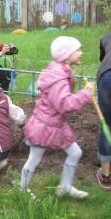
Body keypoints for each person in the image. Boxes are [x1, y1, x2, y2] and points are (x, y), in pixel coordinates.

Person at [20, 36, 94, 199]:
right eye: (78, 50)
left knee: (75, 153)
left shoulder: (62, 70)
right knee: (34, 159)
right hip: (44, 126)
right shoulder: (58, 77)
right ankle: (22, 191)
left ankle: (64, 187)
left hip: (56, 123)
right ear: (66, 55)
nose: (81, 53)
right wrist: (85, 94)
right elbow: (64, 104)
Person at [95, 31, 111, 189]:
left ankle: (106, 176)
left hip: (108, 76)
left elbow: (103, 60)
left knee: (107, 124)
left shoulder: (106, 36)